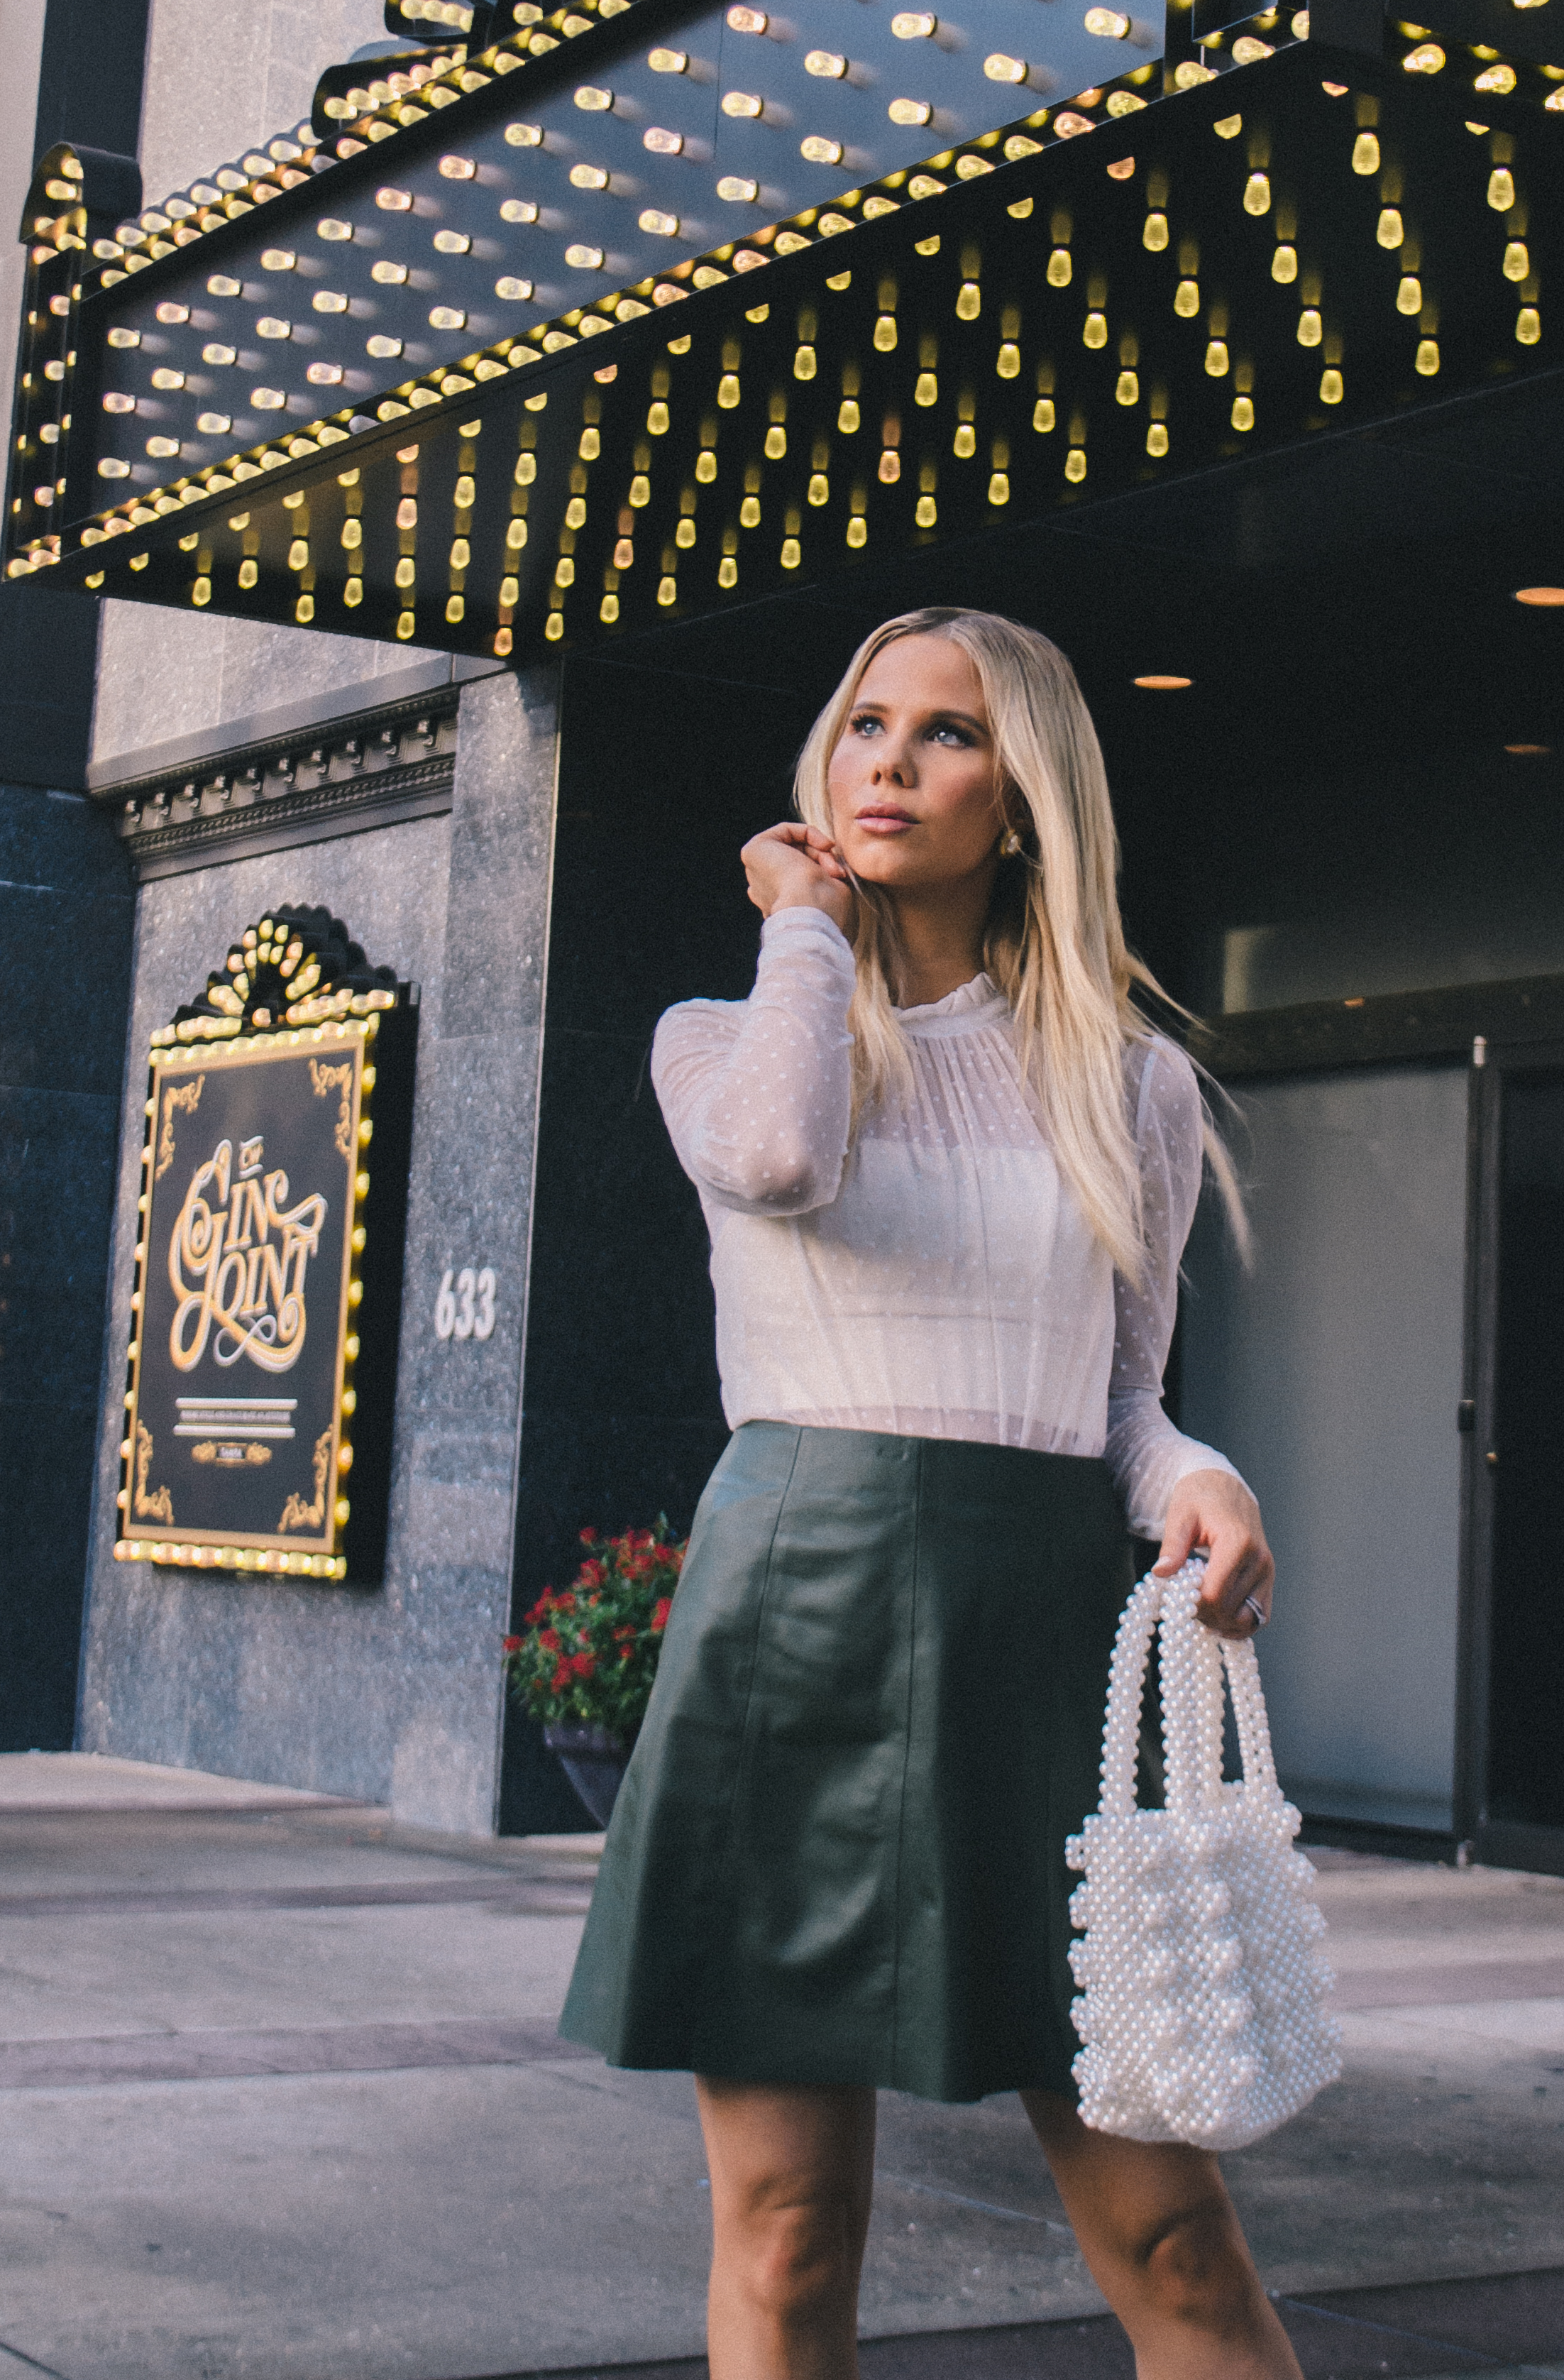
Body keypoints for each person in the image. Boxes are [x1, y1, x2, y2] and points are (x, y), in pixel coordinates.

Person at [562, 605, 1301, 2380]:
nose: (889, 761)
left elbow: (1123, 1396)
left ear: (1025, 796)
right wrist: (805, 933)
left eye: (946, 736)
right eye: (865, 726)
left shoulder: (1129, 1085)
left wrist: (1199, 1475)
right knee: (792, 2235)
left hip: (1037, 1632)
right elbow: (781, 1157)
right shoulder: (720, 1039)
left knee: (1176, 2238)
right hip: (788, 1628)